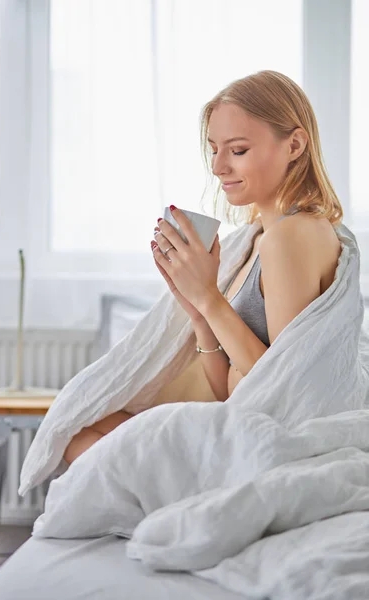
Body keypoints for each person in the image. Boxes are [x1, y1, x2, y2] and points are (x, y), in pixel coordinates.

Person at [63, 69, 343, 465]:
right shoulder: (259, 236)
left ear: (295, 144)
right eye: (214, 149)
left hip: (262, 437)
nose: (218, 167)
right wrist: (196, 310)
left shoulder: (290, 236)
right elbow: (228, 389)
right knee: (89, 432)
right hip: (238, 417)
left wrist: (210, 298)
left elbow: (280, 383)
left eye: (238, 150)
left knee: (85, 446)